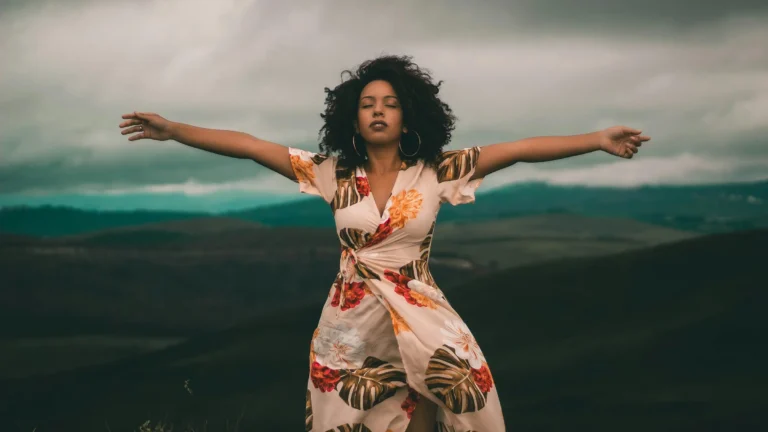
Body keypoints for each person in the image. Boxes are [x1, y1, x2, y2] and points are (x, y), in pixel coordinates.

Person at [119, 54, 650, 432]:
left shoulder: (439, 171)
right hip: (349, 320)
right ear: (352, 115)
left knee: (445, 393)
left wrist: (597, 140)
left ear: (407, 115)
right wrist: (176, 129)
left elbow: (521, 149)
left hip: (420, 308)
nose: (378, 110)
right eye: (368, 103)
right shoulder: (331, 172)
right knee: (352, 417)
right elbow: (252, 147)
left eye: (390, 103)